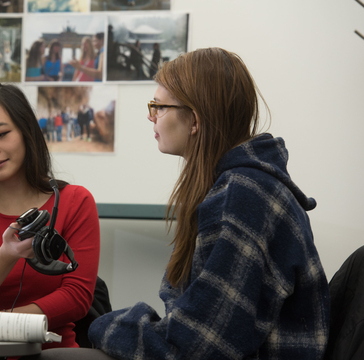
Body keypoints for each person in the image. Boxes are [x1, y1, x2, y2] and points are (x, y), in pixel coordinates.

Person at [25, 47, 331, 359]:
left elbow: (200, 346)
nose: (150, 115)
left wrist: (106, 326)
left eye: (158, 106)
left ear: (194, 119)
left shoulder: (243, 195)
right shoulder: (237, 186)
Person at [0, 81, 100, 359]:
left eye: (2, 134)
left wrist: (2, 324)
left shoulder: (76, 202)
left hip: (51, 353)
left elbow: (77, 297)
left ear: (26, 131)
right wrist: (6, 255)